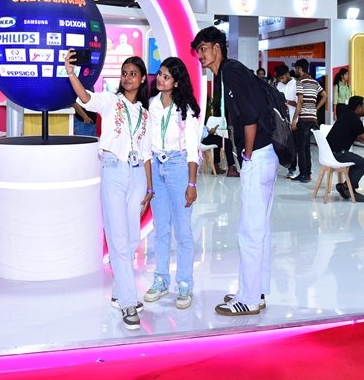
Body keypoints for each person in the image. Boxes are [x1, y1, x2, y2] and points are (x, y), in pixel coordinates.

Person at [191, 26, 278, 316]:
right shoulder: (230, 72)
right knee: (259, 229)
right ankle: (256, 291)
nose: (200, 55)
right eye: (198, 50)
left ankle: (249, 298)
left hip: (258, 157)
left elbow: (250, 114)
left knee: (250, 231)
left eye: (204, 48)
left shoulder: (230, 72)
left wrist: (248, 154)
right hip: (265, 156)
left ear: (217, 48)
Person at [65, 50, 153, 331]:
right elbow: (86, 98)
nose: (127, 78)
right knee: (118, 238)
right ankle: (128, 302)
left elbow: (147, 153)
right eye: (124, 73)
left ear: (142, 79)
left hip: (137, 175)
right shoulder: (110, 101)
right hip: (114, 171)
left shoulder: (145, 114)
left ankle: (118, 292)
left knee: (131, 238)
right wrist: (71, 74)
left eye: (133, 74)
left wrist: (149, 187)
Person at [144, 57, 200, 310]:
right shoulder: (152, 105)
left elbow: (192, 149)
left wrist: (192, 184)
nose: (160, 79)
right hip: (157, 166)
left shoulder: (185, 108)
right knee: (161, 229)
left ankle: (185, 282)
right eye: (160, 74)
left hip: (178, 166)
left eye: (166, 76)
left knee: (183, 231)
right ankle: (161, 280)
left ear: (176, 82)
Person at [325, 95, 364, 202]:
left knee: (357, 161)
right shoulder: (355, 120)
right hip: (338, 153)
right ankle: (348, 188)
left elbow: (357, 136)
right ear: (358, 107)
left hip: (329, 152)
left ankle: (347, 187)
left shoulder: (346, 115)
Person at [292, 58, 321, 184]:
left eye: (296, 68)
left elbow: (300, 101)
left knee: (301, 147)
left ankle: (303, 174)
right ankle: (307, 173)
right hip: (312, 118)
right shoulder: (314, 82)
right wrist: (315, 108)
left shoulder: (300, 81)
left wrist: (294, 119)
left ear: (299, 68)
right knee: (306, 146)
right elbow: (324, 95)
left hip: (303, 118)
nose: (295, 70)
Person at [274, 64, 298, 179]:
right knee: (278, 144)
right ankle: (275, 167)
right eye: (279, 79)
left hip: (293, 120)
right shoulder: (279, 85)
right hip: (280, 120)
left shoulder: (296, 84)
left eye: (282, 78)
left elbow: (299, 103)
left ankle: (292, 169)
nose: (281, 80)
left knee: (292, 146)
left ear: (287, 74)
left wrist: (286, 101)